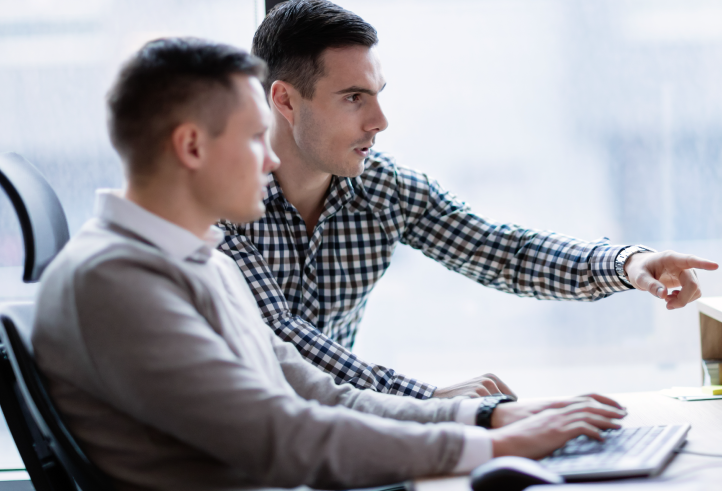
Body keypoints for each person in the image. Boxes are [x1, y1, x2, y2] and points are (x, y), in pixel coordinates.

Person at [31, 37, 626, 490]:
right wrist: (497, 451)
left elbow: (321, 395)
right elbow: (280, 434)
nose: (270, 163)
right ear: (191, 146)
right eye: (254, 140)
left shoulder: (200, 261)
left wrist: (487, 418)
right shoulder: (110, 280)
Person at [220, 0, 720, 400]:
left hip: (337, 436)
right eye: (354, 98)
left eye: (378, 94)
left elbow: (503, 251)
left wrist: (627, 261)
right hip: (231, 451)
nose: (380, 121)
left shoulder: (384, 189)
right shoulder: (218, 202)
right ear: (284, 100)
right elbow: (279, 341)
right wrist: (429, 398)